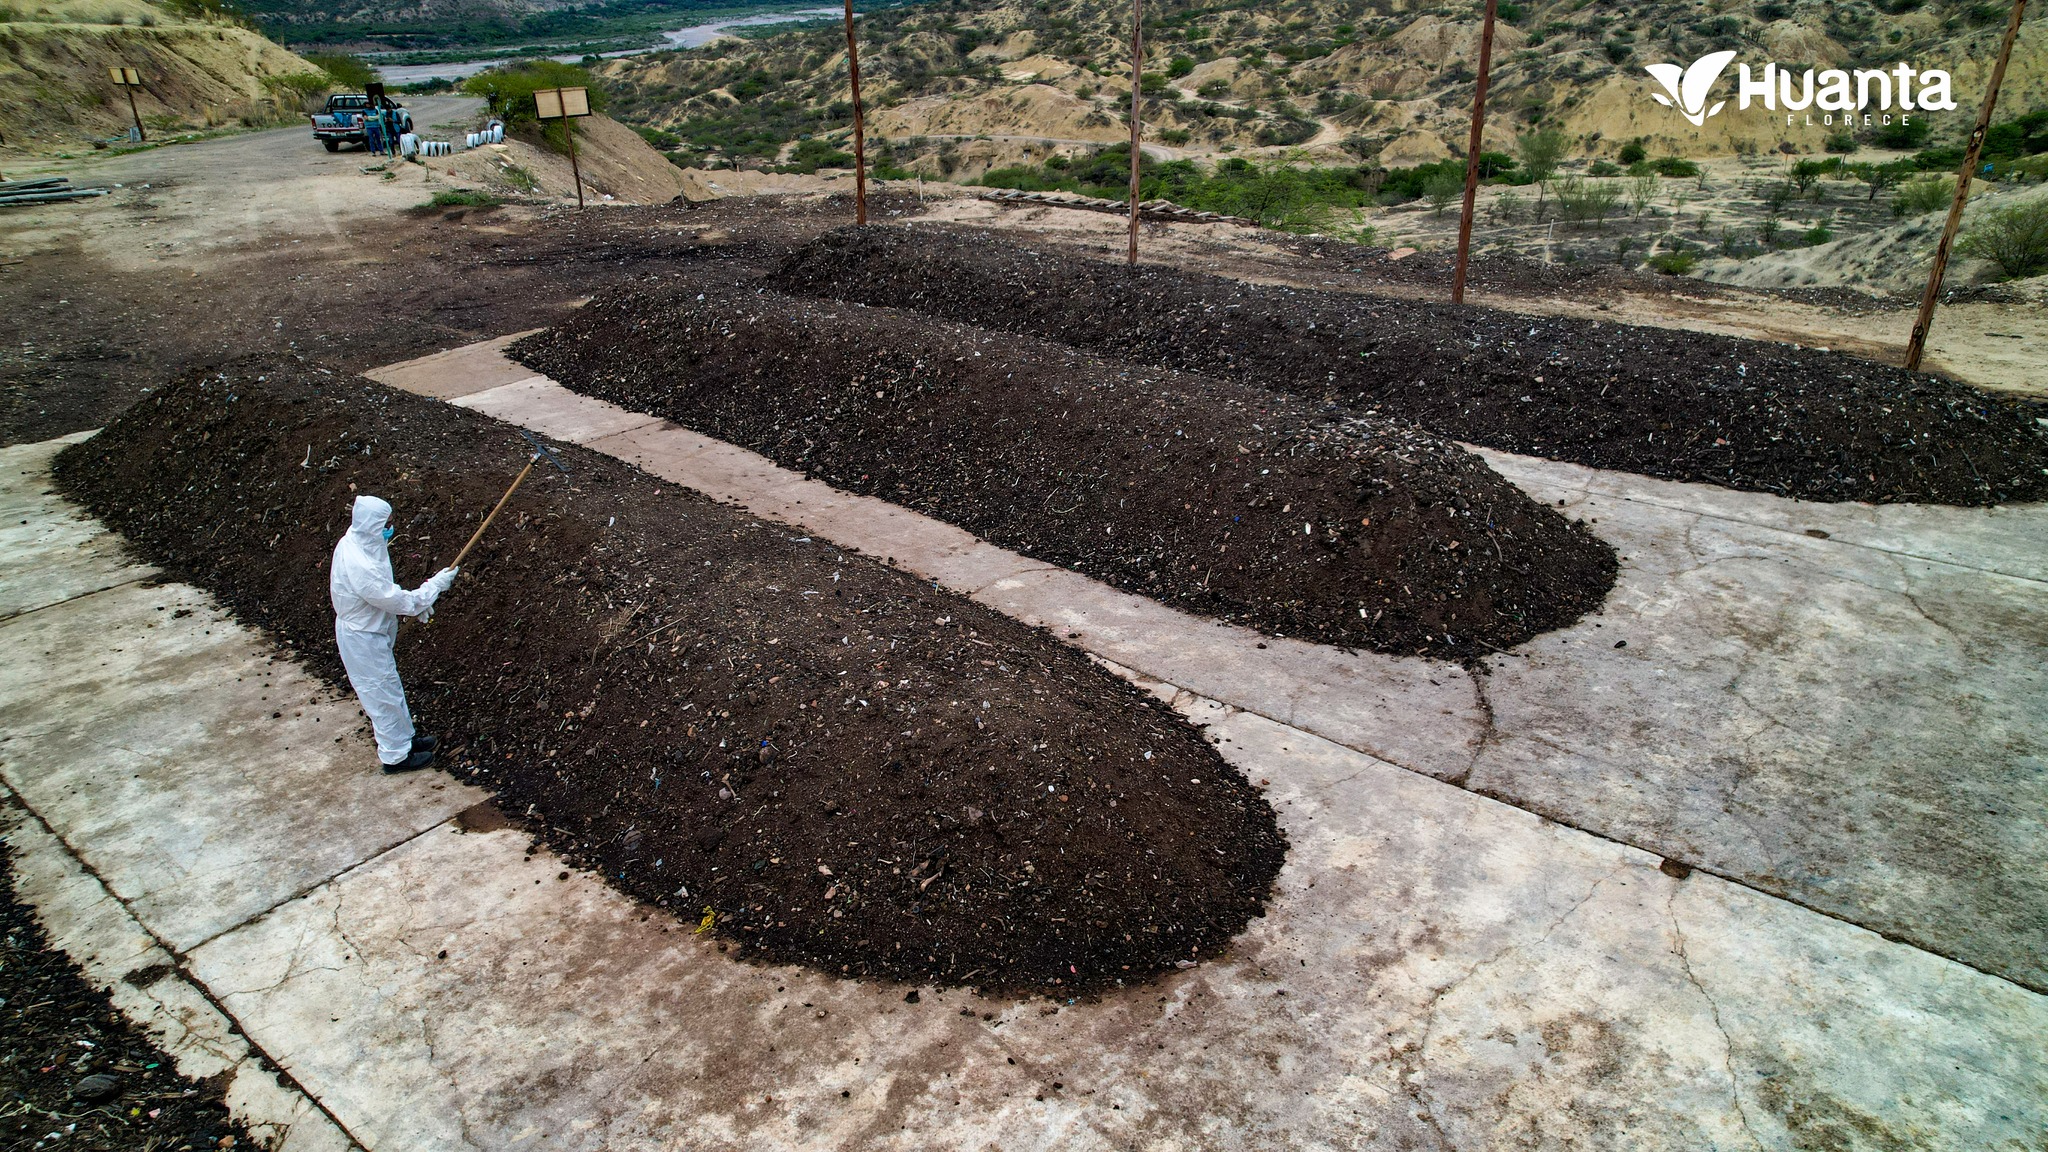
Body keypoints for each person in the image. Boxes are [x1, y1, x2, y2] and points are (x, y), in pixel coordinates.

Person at [330, 495, 458, 773]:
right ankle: (395, 757)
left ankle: (405, 740)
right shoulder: (359, 562)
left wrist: (416, 605)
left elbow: (385, 595)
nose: (391, 527)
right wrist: (431, 590)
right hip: (362, 637)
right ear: (373, 525)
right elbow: (391, 597)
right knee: (381, 695)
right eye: (387, 524)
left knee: (390, 687)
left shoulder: (363, 541)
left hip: (372, 626)